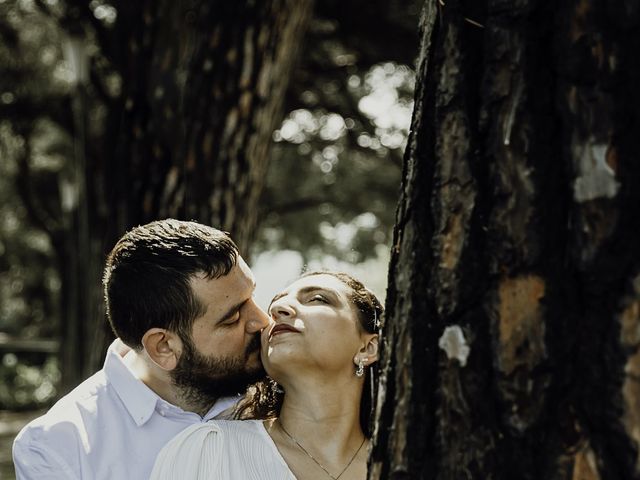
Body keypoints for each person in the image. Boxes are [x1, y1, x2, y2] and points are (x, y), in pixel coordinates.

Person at [12, 219, 270, 479]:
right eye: (233, 318)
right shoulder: (58, 449)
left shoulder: (282, 386)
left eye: (252, 297)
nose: (262, 320)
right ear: (163, 347)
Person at [150, 271, 383, 480]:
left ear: (368, 348)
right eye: (275, 303)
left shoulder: (403, 467)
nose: (277, 310)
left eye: (317, 299)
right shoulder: (210, 449)